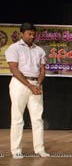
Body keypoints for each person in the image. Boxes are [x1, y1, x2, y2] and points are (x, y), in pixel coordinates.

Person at [5, 22, 50, 158]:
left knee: (37, 118)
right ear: (21, 34)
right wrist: (30, 86)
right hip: (20, 84)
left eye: (33, 34)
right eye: (29, 34)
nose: (31, 37)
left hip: (36, 83)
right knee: (17, 118)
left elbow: (42, 69)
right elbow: (14, 68)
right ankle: (16, 150)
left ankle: (39, 149)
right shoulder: (13, 48)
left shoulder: (40, 50)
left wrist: (38, 84)